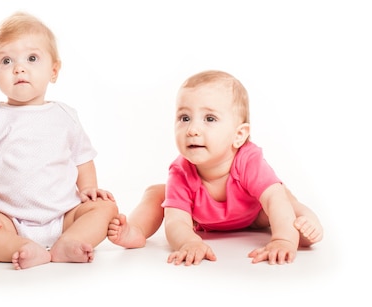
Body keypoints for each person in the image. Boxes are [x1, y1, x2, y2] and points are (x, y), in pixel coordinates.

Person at [108, 69, 323, 265]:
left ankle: (307, 227)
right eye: (184, 118)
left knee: (281, 197)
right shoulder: (181, 171)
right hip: (205, 219)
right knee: (156, 193)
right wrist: (189, 242)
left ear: (239, 135)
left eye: (209, 118)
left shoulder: (248, 160)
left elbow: (273, 200)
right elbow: (176, 222)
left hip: (255, 213)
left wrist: (282, 240)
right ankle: (136, 230)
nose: (192, 129)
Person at [0, 11, 118, 270]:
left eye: (32, 58)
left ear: (54, 70)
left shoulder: (65, 115)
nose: (19, 68)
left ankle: (71, 240)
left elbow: (82, 157)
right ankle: (21, 247)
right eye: (6, 60)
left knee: (106, 208)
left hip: (65, 214)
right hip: (9, 220)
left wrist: (89, 187)